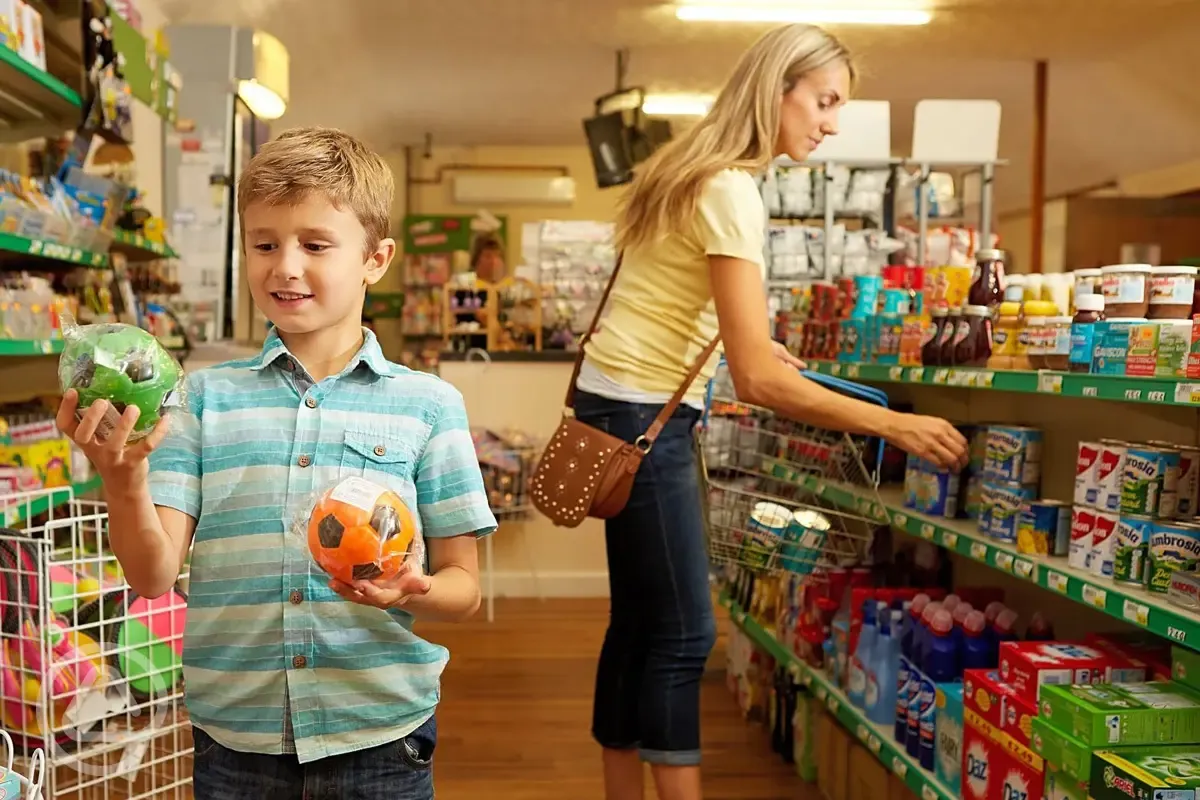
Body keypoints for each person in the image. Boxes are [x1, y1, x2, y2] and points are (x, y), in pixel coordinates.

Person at [572, 23, 969, 800]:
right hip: (647, 423)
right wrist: (897, 425)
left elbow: (674, 304)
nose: (830, 123)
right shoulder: (730, 188)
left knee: (639, 624)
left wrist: (740, 349)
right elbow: (759, 381)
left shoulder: (692, 170)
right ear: (777, 87)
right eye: (823, 101)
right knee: (686, 632)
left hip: (614, 408)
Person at [56, 127, 498, 800]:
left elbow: (464, 586)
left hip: (379, 735)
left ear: (376, 259)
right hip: (236, 743)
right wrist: (123, 478)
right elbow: (152, 575)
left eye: (315, 245)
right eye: (264, 244)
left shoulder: (429, 406)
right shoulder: (200, 399)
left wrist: (417, 588)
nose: (285, 266)